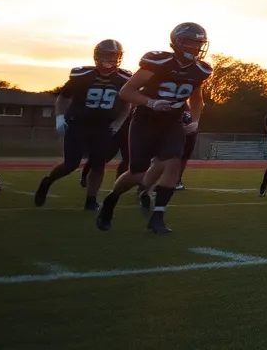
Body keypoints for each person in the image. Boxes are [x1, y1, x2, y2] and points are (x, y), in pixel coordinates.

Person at [96, 23, 212, 235]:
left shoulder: (200, 69)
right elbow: (126, 91)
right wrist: (151, 102)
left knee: (173, 163)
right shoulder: (158, 62)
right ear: (178, 42)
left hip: (173, 121)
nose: (196, 48)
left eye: (199, 43)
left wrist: (195, 120)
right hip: (146, 119)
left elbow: (197, 98)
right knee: (137, 172)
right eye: (191, 42)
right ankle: (112, 199)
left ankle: (158, 215)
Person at [35, 40, 131, 211]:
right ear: (97, 56)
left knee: (98, 165)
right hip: (78, 123)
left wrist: (118, 123)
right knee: (70, 164)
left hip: (103, 126)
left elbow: (127, 105)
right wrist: (59, 118)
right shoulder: (82, 75)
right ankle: (48, 181)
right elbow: (63, 97)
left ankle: (91, 200)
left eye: (115, 55)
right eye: (107, 54)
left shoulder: (124, 78)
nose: (111, 58)